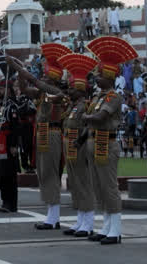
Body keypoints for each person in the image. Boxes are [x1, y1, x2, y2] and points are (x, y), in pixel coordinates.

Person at [83, 36, 137, 245]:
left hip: (106, 141)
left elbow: (99, 117)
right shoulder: (98, 96)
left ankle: (115, 229)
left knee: (109, 186)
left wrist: (87, 118)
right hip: (95, 142)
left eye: (99, 75)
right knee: (99, 187)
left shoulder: (113, 96)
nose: (96, 78)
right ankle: (106, 226)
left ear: (109, 76)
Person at [7, 54, 69, 230]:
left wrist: (19, 67)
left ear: (54, 79)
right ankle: (51, 214)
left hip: (52, 133)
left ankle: (54, 216)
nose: (43, 76)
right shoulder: (43, 93)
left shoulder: (55, 92)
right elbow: (26, 88)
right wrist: (19, 70)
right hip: (42, 133)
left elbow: (34, 81)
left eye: (47, 74)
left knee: (50, 173)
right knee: (43, 174)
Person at [57, 54, 99, 238]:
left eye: (72, 88)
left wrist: (80, 141)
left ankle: (88, 222)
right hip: (71, 145)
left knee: (83, 183)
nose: (69, 91)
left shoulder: (84, 106)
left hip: (79, 147)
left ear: (81, 90)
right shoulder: (73, 106)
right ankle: (80, 219)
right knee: (75, 183)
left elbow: (88, 127)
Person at [0, 81, 20, 213]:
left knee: (9, 174)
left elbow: (15, 127)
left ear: (8, 90)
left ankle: (11, 203)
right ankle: (4, 201)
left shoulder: (12, 106)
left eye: (2, 88)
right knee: (0, 174)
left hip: (8, 142)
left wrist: (14, 144)